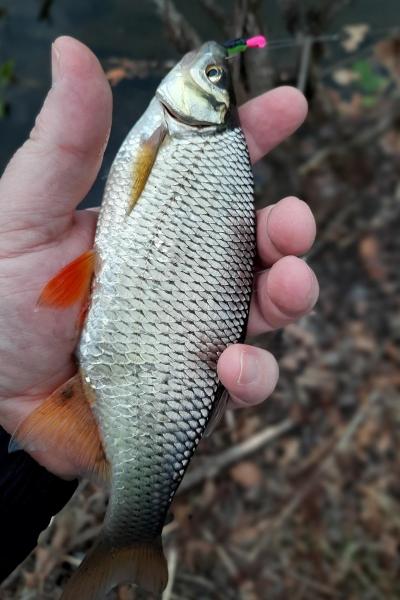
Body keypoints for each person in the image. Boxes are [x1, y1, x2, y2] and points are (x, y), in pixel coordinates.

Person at [0, 37, 319, 580]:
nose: (208, 65)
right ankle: (131, 532)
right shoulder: (202, 144)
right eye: (217, 74)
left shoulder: (182, 136)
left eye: (213, 75)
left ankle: (133, 531)